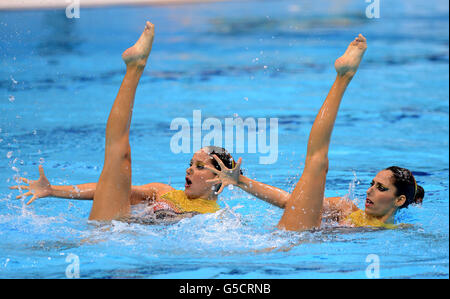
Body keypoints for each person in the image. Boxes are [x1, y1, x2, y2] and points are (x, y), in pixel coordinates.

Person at [11, 23, 424, 230]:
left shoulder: (215, 217)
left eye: (380, 187)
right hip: (112, 232)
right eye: (191, 163)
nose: (370, 190)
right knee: (118, 156)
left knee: (318, 165)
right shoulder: (170, 195)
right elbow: (107, 189)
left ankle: (342, 77)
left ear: (399, 202)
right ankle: (134, 67)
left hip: (296, 243)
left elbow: (285, 208)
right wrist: (53, 191)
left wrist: (236, 184)